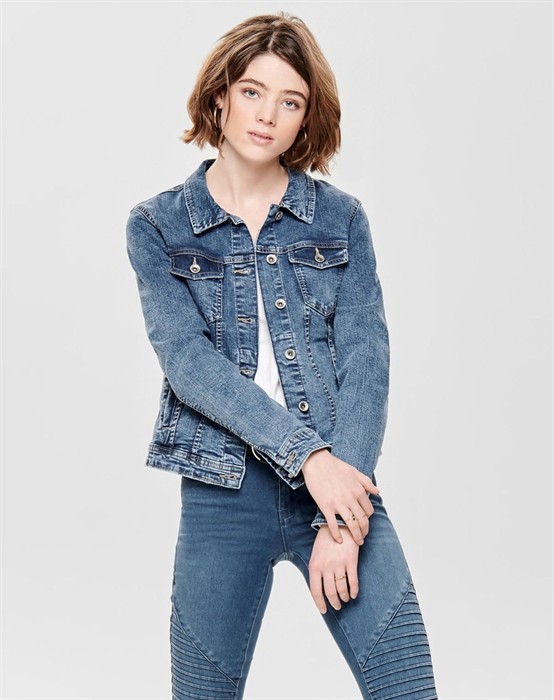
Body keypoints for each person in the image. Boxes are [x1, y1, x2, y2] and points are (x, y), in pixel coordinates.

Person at [126, 12, 438, 700]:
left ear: (306, 120)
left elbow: (366, 360)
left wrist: (340, 513)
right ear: (220, 97)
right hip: (222, 490)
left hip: (339, 486)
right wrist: (308, 459)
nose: (268, 115)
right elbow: (189, 365)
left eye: (290, 101)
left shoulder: (341, 219)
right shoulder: (158, 226)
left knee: (408, 689)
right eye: (253, 92)